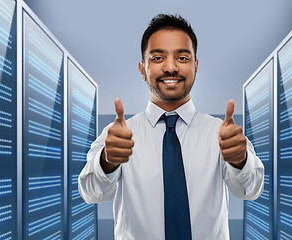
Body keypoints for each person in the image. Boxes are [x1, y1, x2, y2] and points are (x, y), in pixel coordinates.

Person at [78, 14, 264, 239]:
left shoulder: (222, 133)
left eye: (182, 58)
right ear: (142, 69)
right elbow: (90, 193)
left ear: (195, 66)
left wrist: (239, 160)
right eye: (157, 58)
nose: (170, 67)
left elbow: (250, 190)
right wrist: (107, 161)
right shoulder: (117, 136)